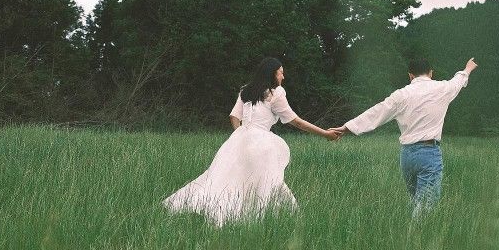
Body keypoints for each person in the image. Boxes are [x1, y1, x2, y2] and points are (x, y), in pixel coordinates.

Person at [163, 57, 340, 226]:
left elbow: (234, 116)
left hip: (239, 139)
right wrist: (325, 133)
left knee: (229, 179)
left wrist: (241, 136)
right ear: (272, 73)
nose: (283, 77)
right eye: (280, 72)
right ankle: (268, 216)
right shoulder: (276, 94)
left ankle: (224, 209)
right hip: (261, 143)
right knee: (267, 181)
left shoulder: (246, 91)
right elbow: (296, 122)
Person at [333, 57, 478, 215]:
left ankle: (410, 230)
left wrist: (347, 127)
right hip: (429, 153)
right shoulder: (442, 88)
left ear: (410, 75)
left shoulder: (401, 95)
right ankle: (416, 230)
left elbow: (377, 112)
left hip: (407, 157)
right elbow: (458, 81)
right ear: (431, 73)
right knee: (425, 210)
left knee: (416, 203)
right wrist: (468, 68)